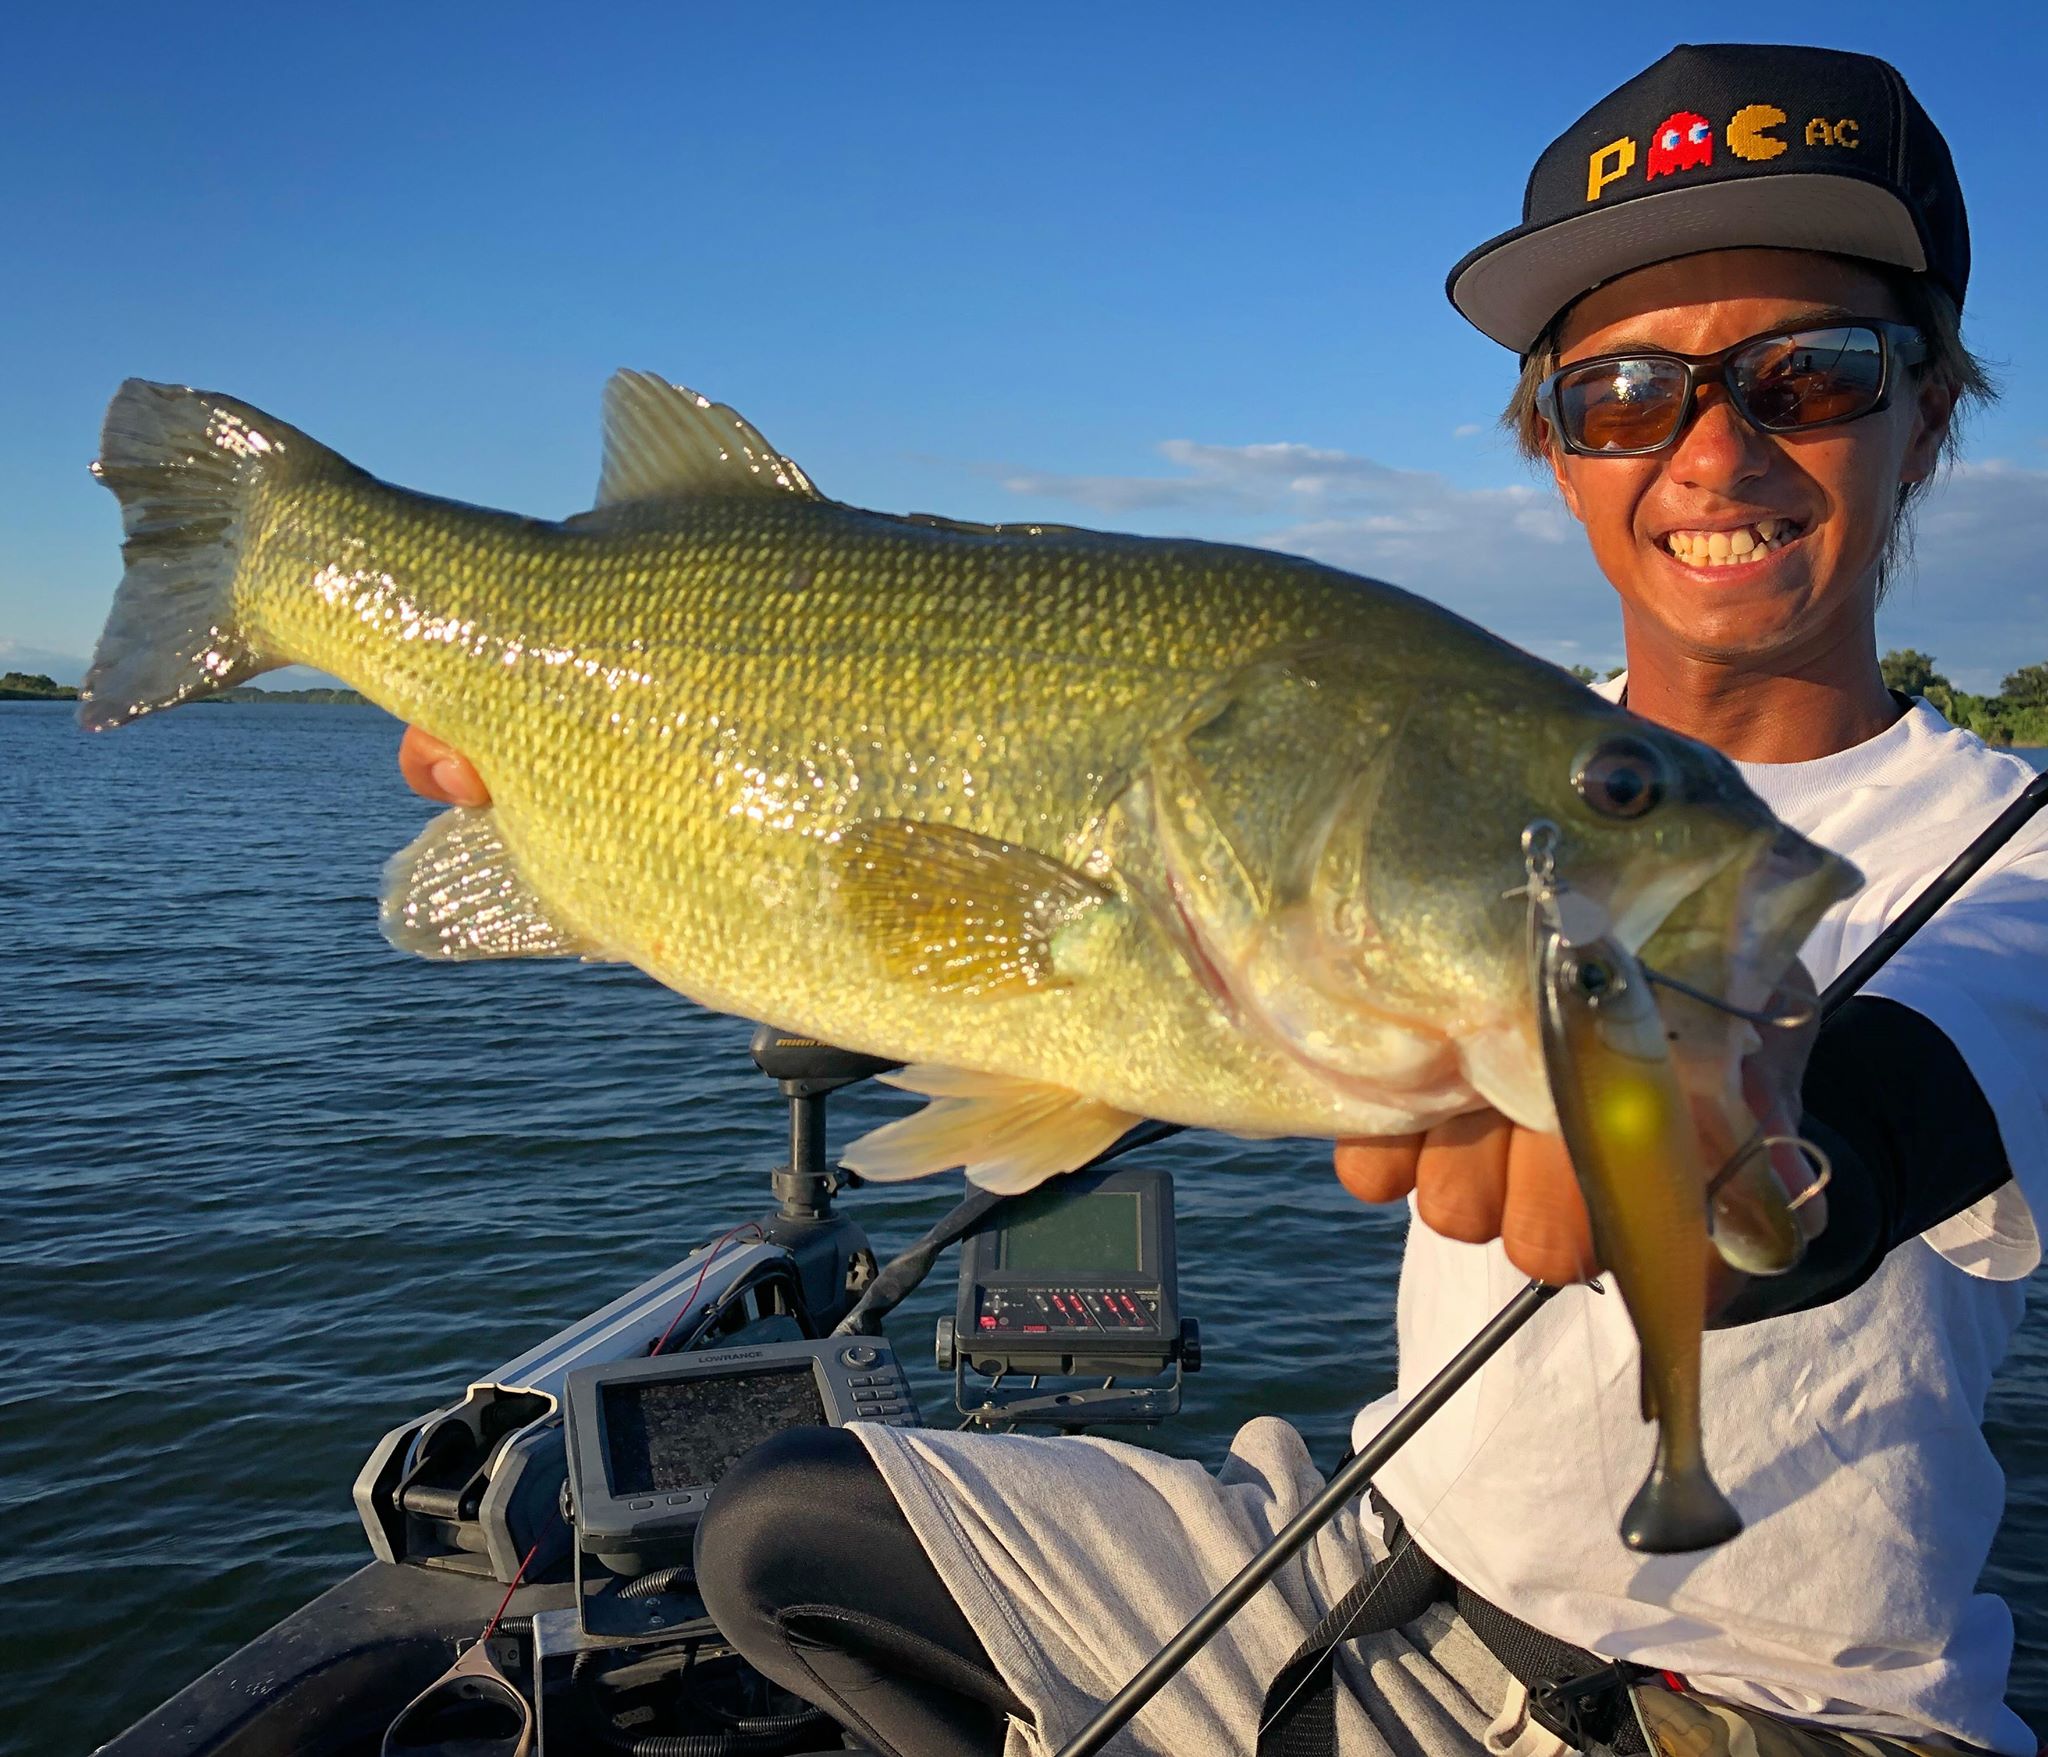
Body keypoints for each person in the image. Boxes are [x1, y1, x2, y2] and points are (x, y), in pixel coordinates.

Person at [399, 43, 2048, 1757]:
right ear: (1555, 446)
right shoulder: (1446, 761)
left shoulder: (2017, 855)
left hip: (1786, 1714)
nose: (1715, 449)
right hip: (1377, 1565)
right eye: (1627, 391)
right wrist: (620, 821)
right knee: (780, 1527)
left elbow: (1866, 1133)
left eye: (1815, 373)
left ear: (1933, 411)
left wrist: (1732, 1163)